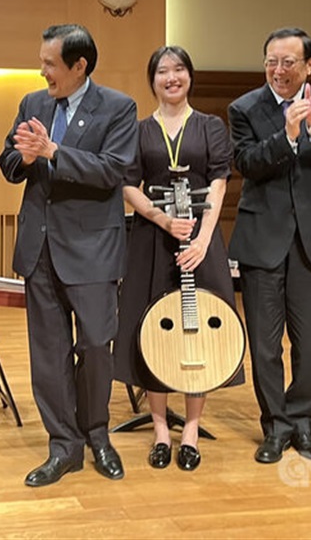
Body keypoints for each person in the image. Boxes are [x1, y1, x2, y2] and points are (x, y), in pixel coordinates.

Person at [0, 23, 138, 487]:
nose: (42, 72)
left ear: (79, 66)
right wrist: (25, 157)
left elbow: (114, 170)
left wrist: (53, 151)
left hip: (92, 249)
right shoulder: (33, 104)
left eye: (50, 64)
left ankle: (97, 433)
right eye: (42, 62)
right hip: (39, 247)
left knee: (96, 345)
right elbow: (9, 161)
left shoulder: (118, 107)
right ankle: (63, 446)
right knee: (49, 353)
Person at [228, 27, 311, 464]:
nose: (278, 71)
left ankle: (303, 423)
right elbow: (247, 163)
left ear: (309, 65)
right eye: (271, 62)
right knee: (265, 343)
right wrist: (286, 134)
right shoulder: (244, 108)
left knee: (309, 341)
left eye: (288, 62)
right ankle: (275, 427)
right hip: (262, 238)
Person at [113, 46, 242, 472]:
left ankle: (191, 429)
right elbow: (128, 185)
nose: (172, 77)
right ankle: (160, 430)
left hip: (201, 239)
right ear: (152, 80)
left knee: (197, 327)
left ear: (190, 76)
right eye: (163, 71)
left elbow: (219, 182)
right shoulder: (138, 130)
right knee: (154, 329)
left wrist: (203, 240)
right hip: (152, 238)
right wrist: (163, 220)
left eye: (179, 69)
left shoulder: (210, 126)